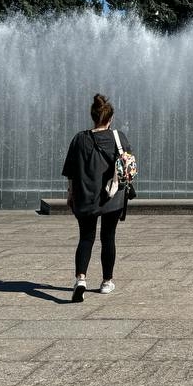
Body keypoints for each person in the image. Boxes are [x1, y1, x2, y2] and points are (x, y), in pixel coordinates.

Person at [62, 93, 132, 302]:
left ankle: (81, 279)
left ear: (93, 117)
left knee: (86, 237)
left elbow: (71, 172)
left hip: (85, 196)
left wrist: (70, 194)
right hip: (112, 197)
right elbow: (128, 167)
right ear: (110, 119)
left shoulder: (80, 139)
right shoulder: (119, 137)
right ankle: (106, 282)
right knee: (108, 238)